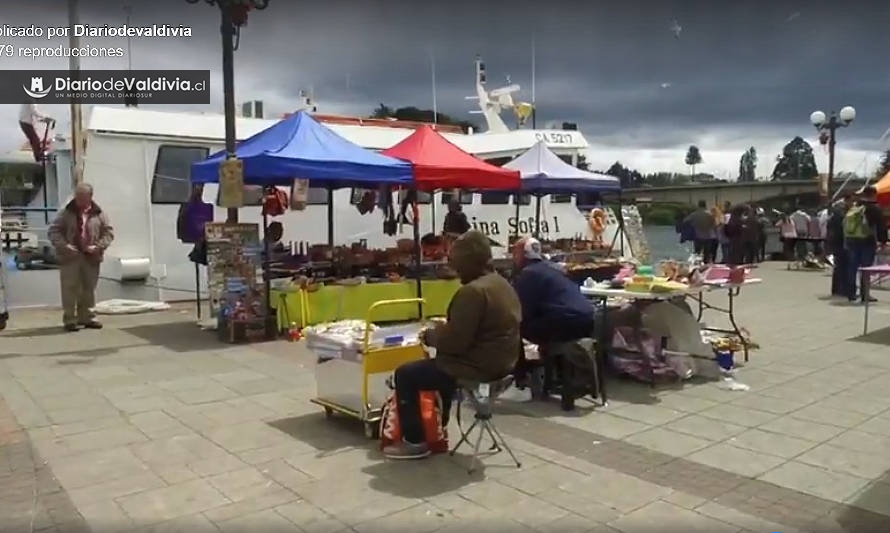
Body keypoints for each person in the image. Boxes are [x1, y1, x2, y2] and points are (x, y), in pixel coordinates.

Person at [383, 230, 521, 459]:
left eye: (458, 265)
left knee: (406, 374)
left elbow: (455, 343)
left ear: (469, 263)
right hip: (504, 363)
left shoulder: (473, 292)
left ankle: (415, 441)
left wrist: (432, 335)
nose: (456, 271)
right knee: (438, 368)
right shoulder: (502, 284)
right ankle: (438, 428)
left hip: (478, 366)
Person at [510, 237, 595, 385]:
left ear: (524, 254)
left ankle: (521, 374)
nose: (513, 257)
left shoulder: (528, 274)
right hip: (588, 319)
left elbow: (523, 311)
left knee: (514, 327)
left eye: (515, 252)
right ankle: (554, 369)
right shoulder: (555, 268)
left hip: (565, 324)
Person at [48, 183, 114, 331]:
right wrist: (64, 246)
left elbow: (108, 233)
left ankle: (88, 317)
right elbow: (54, 231)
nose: (79, 200)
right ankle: (70, 319)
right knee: (70, 288)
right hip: (70, 256)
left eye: (82, 197)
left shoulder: (99, 214)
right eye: (77, 196)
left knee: (89, 288)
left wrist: (98, 247)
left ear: (90, 197)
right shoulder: (66, 212)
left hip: (91, 257)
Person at [844, 186, 888, 303]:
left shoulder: (856, 206)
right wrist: (883, 241)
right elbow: (881, 226)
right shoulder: (874, 208)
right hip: (867, 241)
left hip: (852, 240)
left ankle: (851, 293)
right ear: (874, 194)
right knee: (866, 268)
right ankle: (865, 294)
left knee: (852, 267)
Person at [826, 194, 853, 296]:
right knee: (844, 266)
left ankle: (837, 289)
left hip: (836, 243)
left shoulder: (835, 214)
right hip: (843, 242)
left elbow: (830, 229)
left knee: (839, 267)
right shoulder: (844, 214)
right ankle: (843, 290)